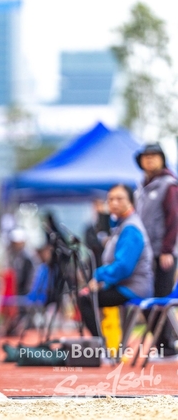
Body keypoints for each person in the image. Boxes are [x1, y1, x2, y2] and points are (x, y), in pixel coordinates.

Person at [78, 184, 154, 338]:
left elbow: (124, 267)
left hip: (134, 287)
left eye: (119, 199)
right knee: (87, 295)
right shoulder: (121, 225)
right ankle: (102, 343)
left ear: (131, 202)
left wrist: (99, 276)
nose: (114, 203)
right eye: (111, 199)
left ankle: (100, 345)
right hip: (124, 284)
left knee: (85, 299)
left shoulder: (131, 228)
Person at [134, 143, 178, 355]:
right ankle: (163, 345)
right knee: (146, 297)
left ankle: (167, 346)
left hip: (163, 253)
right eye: (146, 156)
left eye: (154, 155)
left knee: (161, 298)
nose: (149, 159)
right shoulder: (141, 187)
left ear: (162, 159)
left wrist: (167, 250)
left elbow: (174, 218)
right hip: (146, 254)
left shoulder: (169, 185)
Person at [84, 198, 111, 268]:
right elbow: (90, 244)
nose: (98, 209)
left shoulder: (110, 224)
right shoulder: (90, 228)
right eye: (96, 206)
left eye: (100, 205)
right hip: (95, 263)